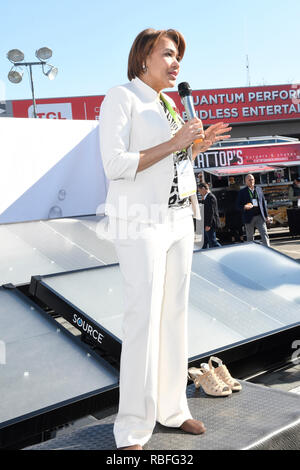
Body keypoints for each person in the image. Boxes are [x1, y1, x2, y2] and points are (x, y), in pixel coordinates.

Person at [99, 28, 231, 450]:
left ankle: (173, 410)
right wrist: (175, 141)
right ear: (143, 57)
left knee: (174, 316)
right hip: (140, 223)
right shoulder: (122, 97)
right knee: (143, 320)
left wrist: (193, 147)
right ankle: (133, 427)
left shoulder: (169, 104)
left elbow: (172, 160)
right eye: (168, 55)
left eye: (179, 58)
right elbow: (115, 164)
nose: (176, 64)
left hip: (179, 220)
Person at [236, 173, 271, 247]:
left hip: (259, 216)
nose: (251, 181)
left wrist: (266, 215)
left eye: (252, 179)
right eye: (249, 180)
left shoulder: (259, 189)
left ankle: (268, 249)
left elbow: (263, 204)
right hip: (249, 217)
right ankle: (251, 251)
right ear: (246, 182)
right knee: (250, 237)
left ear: (254, 180)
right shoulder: (242, 192)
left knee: (264, 233)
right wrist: (244, 207)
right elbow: (238, 206)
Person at [198, 183, 221, 248]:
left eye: (199, 190)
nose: (199, 193)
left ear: (203, 189)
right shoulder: (206, 197)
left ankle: (221, 250)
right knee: (205, 241)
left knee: (213, 242)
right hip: (206, 224)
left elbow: (211, 212)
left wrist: (208, 225)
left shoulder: (210, 197)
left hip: (210, 224)